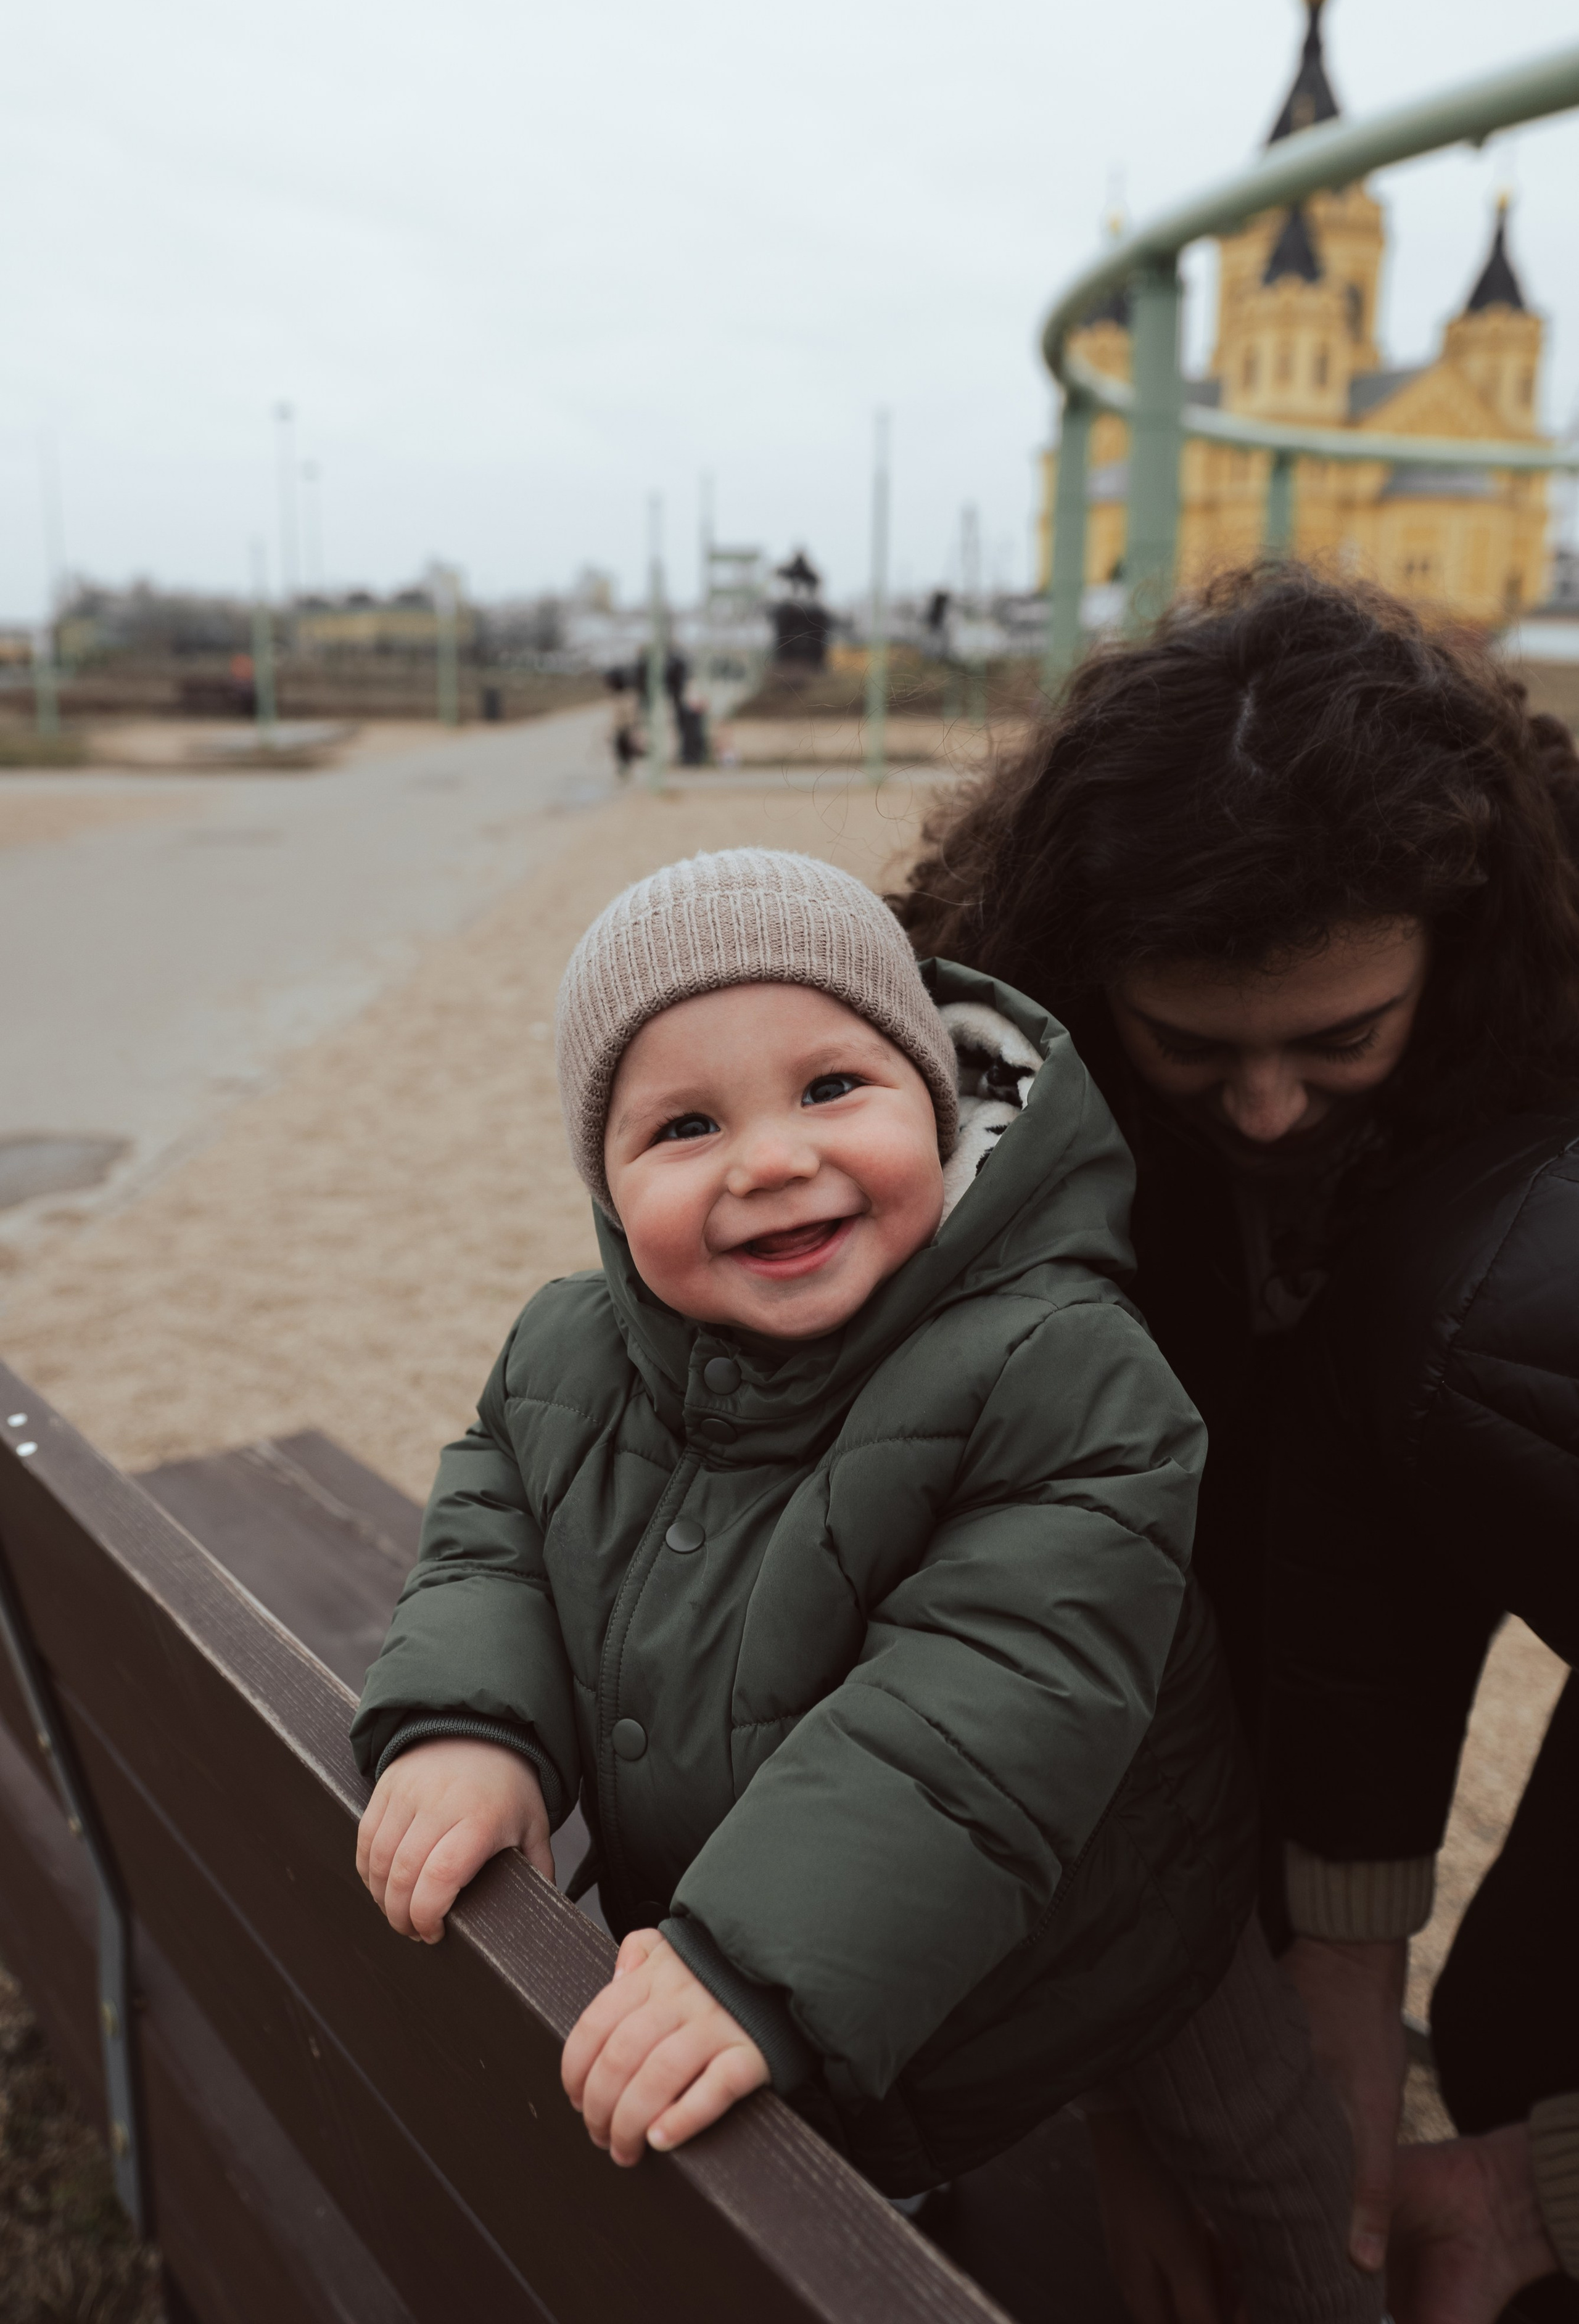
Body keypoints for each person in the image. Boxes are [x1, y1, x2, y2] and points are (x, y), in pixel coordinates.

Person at [350, 848, 1376, 2321]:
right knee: (772, 2157)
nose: (770, 1159)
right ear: (604, 1178)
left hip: (1114, 1910)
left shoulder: (1062, 1364)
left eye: (832, 1087)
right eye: (684, 1124)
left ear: (938, 1098)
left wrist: (755, 1957)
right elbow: (497, 1520)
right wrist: (471, 1722)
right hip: (793, 1930)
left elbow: (986, 1691)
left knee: (1270, 2158)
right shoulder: (572, 1352)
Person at [895, 565, 1579, 2321]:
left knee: (1525, 2005)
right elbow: (1067, 1599)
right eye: (1193, 1047)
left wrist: (1542, 2182)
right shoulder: (988, 1110)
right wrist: (1155, 2070)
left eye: (1340, 1041)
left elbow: (1382, 1531)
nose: (1268, 1111)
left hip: (1486, 1450)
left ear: (1468, 945)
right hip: (1260, 1575)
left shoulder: (1519, 1173)